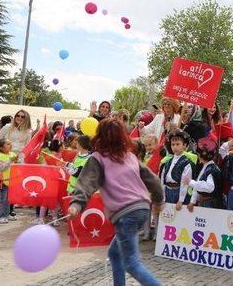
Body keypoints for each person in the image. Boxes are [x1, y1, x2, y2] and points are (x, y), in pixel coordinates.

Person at [68, 118, 163, 286]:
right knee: (115, 253)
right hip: (142, 209)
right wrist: (158, 200)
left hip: (126, 213)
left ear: (99, 137)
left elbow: (86, 183)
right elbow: (153, 180)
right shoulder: (130, 157)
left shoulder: (97, 158)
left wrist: (76, 204)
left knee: (131, 263)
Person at [158, 130, 195, 211]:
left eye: (178, 144)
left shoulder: (186, 163)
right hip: (167, 191)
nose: (175, 147)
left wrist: (181, 200)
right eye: (173, 144)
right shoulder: (167, 162)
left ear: (184, 146)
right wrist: (163, 198)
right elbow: (162, 180)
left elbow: (184, 182)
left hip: (178, 192)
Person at [187, 137, 223, 210]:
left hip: (210, 204)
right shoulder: (207, 167)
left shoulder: (211, 169)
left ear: (200, 156)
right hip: (207, 202)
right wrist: (192, 201)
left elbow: (209, 187)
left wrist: (191, 182)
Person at [0, 138, 17, 223]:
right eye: (8, 144)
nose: (11, 145)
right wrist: (10, 160)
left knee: (8, 199)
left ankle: (6, 215)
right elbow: (2, 168)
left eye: (10, 143)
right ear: (1, 148)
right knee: (2, 200)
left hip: (11, 181)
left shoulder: (12, 154)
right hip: (2, 182)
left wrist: (17, 160)